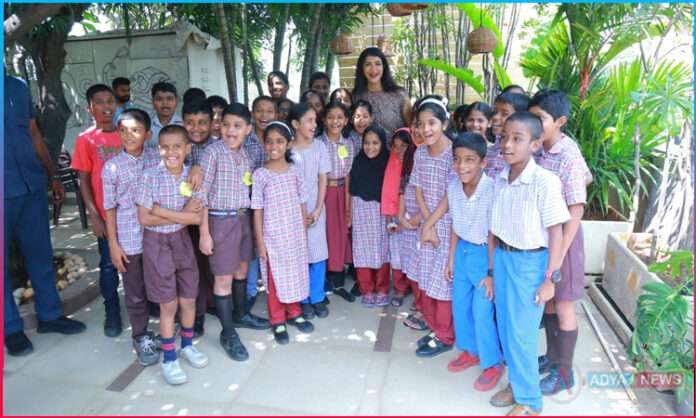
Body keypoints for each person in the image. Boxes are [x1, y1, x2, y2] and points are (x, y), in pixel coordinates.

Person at [488, 112, 569, 416]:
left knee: (522, 334)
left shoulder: (544, 182)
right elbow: (494, 230)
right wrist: (492, 271)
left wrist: (550, 278)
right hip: (504, 260)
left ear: (535, 144)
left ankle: (531, 402)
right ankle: (518, 385)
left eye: (517, 139)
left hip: (530, 263)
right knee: (508, 330)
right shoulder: (500, 179)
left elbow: (556, 232)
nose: (507, 144)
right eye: (504, 137)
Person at [4, 75, 86, 356]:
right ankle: (10, 329)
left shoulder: (17, 87)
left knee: (40, 254)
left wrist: (52, 175)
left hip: (30, 185)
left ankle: (50, 316)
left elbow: (33, 133)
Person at [420, 132, 504, 391]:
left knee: (482, 312)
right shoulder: (454, 186)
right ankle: (471, 350)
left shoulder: (492, 189)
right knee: (460, 307)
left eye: (469, 160)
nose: (462, 166)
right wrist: (450, 259)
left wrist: (490, 272)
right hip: (462, 253)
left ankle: (493, 362)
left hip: (484, 256)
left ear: (483, 163)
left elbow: (493, 235)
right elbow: (455, 225)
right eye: (457, 160)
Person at [136, 124, 210, 385]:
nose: (171, 152)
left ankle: (187, 344)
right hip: (157, 244)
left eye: (177, 146)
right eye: (165, 147)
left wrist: (163, 211)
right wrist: (181, 214)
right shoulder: (149, 176)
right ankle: (169, 358)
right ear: (159, 149)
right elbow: (144, 218)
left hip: (181, 241)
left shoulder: (193, 176)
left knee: (188, 299)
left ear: (187, 149)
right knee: (168, 304)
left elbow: (197, 216)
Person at [199, 102, 271, 361]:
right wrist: (205, 232)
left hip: (243, 219)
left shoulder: (247, 154)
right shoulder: (212, 153)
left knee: (242, 269)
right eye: (227, 124)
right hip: (220, 221)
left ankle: (241, 315)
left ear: (248, 129)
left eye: (237, 126)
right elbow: (201, 195)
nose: (231, 130)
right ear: (219, 126)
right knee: (223, 278)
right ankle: (228, 333)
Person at [529, 90, 588, 396]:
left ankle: (564, 372)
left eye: (541, 118)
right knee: (550, 302)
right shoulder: (540, 149)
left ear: (560, 121)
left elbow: (576, 210)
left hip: (564, 241)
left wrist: (559, 258)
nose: (535, 124)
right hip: (545, 238)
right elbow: (586, 178)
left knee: (564, 304)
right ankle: (553, 358)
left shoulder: (568, 154)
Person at [102, 108, 161, 365]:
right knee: (135, 290)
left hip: (159, 234)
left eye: (135, 130)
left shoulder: (157, 158)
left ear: (148, 134)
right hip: (130, 238)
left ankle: (164, 328)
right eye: (123, 130)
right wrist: (113, 244)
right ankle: (141, 336)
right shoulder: (112, 167)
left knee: (161, 284)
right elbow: (110, 208)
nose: (128, 135)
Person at [251, 121, 315, 345]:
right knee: (276, 278)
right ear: (263, 144)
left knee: (295, 274)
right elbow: (257, 211)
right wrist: (260, 243)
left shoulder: (295, 172)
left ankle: (294, 312)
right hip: (273, 238)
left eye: (279, 141)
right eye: (269, 141)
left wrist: (304, 231)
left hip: (294, 235)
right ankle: (277, 319)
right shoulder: (260, 175)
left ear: (288, 144)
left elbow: (302, 203)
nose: (273, 146)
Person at [71, 84, 124, 337]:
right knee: (107, 266)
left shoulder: (128, 133)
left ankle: (144, 304)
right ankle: (111, 311)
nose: (106, 107)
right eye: (100, 102)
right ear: (89, 108)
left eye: (110, 101)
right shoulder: (86, 139)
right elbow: (83, 180)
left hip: (131, 215)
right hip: (105, 217)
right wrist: (94, 215)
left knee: (138, 263)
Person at [408, 96, 455, 358]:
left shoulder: (453, 153)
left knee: (443, 283)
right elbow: (417, 188)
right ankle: (436, 329)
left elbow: (451, 194)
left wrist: (433, 225)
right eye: (421, 124)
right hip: (428, 225)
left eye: (432, 123)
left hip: (446, 226)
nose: (426, 129)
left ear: (444, 124)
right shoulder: (420, 152)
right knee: (426, 278)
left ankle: (446, 335)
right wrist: (426, 224)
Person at [289, 103, 331, 319]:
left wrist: (318, 208)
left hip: (316, 207)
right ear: (296, 124)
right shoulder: (288, 150)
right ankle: (303, 298)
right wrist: (298, 212)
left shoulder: (320, 147)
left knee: (317, 253)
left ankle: (317, 297)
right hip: (293, 210)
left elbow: (323, 179)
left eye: (315, 120)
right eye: (309, 120)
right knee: (300, 254)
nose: (314, 125)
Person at [182, 100, 219, 338]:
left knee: (210, 264)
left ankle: (213, 303)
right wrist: (193, 164)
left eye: (202, 123)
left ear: (211, 123)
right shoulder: (178, 146)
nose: (196, 128)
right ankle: (196, 315)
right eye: (190, 123)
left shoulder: (218, 147)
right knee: (190, 267)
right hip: (184, 217)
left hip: (210, 216)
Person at [348, 124, 391, 307]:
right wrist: (349, 213)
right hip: (361, 210)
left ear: (382, 144)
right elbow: (351, 190)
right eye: (367, 143)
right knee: (362, 250)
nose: (370, 147)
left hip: (381, 211)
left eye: (375, 143)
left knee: (382, 250)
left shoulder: (388, 163)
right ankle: (366, 289)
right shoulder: (357, 161)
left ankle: (381, 289)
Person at [319, 101, 356, 303]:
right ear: (324, 119)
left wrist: (348, 206)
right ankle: (323, 282)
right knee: (324, 235)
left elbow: (349, 175)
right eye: (331, 117)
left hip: (342, 192)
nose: (335, 121)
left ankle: (339, 282)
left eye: (340, 117)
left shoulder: (348, 144)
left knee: (341, 235)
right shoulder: (318, 144)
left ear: (346, 121)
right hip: (324, 193)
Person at [381, 128, 416, 307]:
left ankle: (415, 290)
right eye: (395, 146)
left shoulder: (416, 165)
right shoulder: (391, 163)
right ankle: (400, 289)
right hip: (394, 216)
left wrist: (409, 217)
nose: (399, 150)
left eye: (403, 146)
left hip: (412, 219)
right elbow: (387, 191)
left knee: (412, 255)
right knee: (396, 254)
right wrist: (390, 216)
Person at [352, 47, 412, 140]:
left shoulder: (400, 95)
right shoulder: (356, 97)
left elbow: (411, 128)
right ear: (362, 68)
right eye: (368, 64)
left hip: (397, 152)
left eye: (377, 64)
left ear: (384, 67)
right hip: (368, 152)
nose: (373, 69)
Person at [484, 92, 530, 178]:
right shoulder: (488, 152)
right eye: (495, 112)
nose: (495, 117)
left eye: (504, 114)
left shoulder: (524, 155)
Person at [244, 96, 277, 172]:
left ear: (276, 115)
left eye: (269, 111)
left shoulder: (281, 140)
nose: (264, 115)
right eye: (259, 111)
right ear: (252, 114)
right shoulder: (244, 140)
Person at [148, 82, 183, 148]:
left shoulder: (184, 125)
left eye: (169, 98)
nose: (165, 103)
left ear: (177, 101)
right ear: (152, 102)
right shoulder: (147, 127)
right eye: (159, 99)